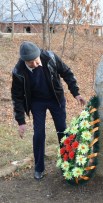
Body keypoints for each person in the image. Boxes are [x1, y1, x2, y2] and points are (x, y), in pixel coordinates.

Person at [11, 41, 86, 180]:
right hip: (36, 102)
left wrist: (76, 93)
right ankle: (39, 168)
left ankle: (67, 164)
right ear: (24, 61)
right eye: (30, 63)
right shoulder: (18, 71)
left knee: (62, 131)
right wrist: (21, 121)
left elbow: (67, 73)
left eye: (36, 60)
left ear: (39, 54)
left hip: (55, 99)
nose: (34, 64)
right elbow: (16, 97)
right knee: (39, 134)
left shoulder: (50, 57)